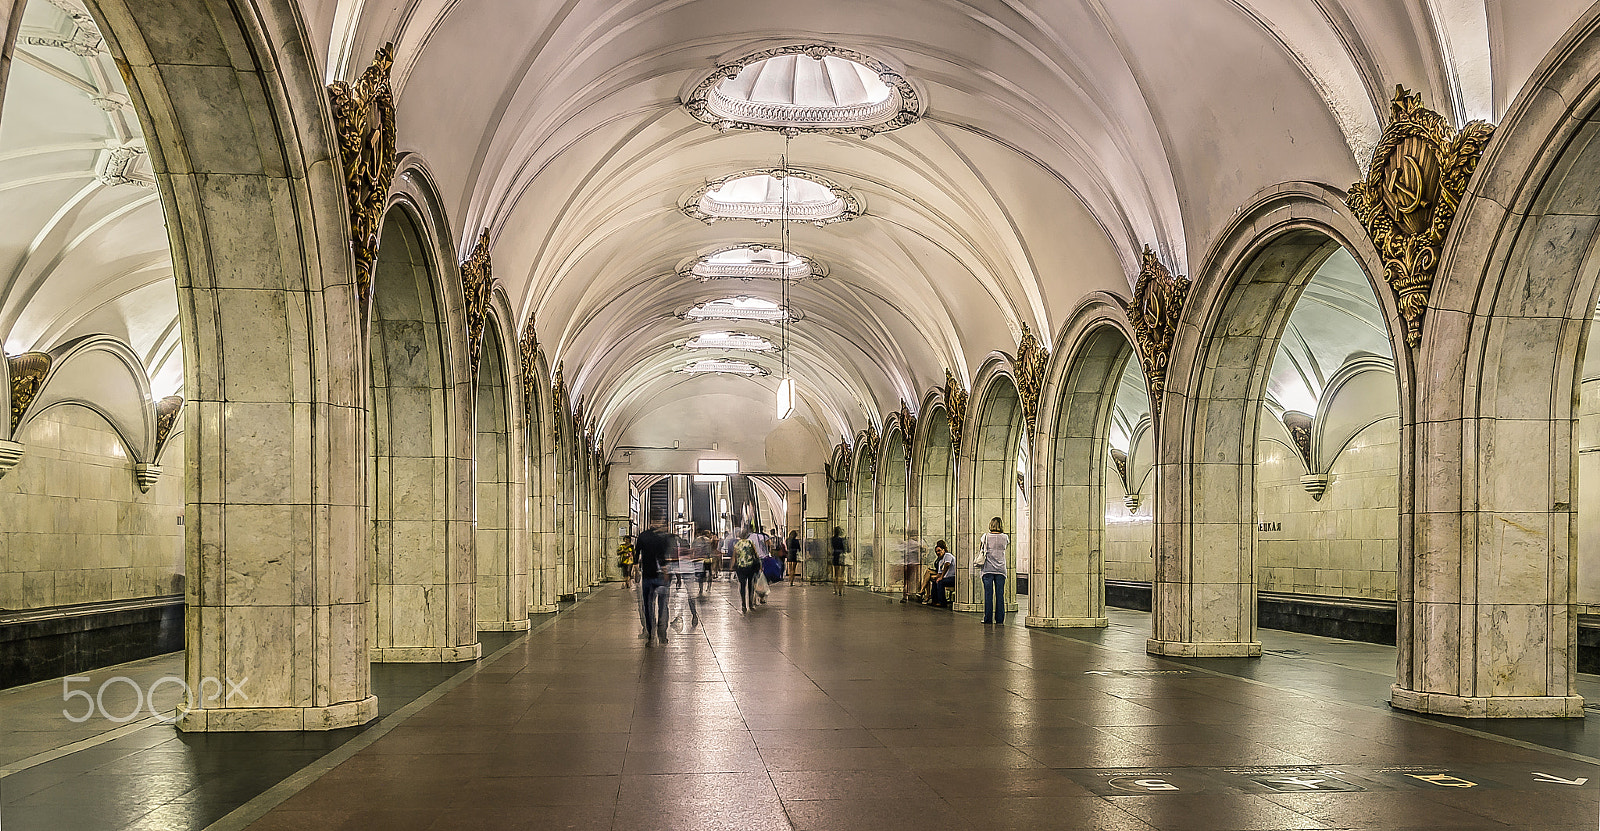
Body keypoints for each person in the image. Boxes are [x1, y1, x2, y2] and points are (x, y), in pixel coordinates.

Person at [634, 522, 672, 645]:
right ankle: (662, 632)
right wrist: (667, 572)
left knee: (648, 605)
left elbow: (636, 553)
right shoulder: (663, 538)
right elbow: (664, 557)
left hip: (647, 576)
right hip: (660, 576)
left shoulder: (643, 536)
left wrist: (636, 572)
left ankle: (651, 632)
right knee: (663, 605)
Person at [978, 517, 1009, 624]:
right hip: (1001, 569)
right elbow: (1005, 548)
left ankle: (988, 618)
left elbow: (981, 549)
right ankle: (1000, 619)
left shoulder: (985, 536)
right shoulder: (1005, 537)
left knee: (988, 594)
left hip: (988, 569)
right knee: (1000, 594)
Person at [732, 529, 761, 613]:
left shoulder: (737, 544)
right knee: (750, 585)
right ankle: (751, 604)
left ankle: (743, 604)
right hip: (750, 566)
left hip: (740, 567)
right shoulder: (750, 543)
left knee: (742, 585)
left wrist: (732, 566)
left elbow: (735, 556)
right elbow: (755, 554)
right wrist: (759, 565)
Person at [927, 540, 954, 607]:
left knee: (940, 582)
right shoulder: (940, 561)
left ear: (943, 550)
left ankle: (942, 602)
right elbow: (939, 573)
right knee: (935, 582)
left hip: (953, 577)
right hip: (946, 578)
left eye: (939, 551)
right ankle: (934, 601)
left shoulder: (948, 555)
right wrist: (934, 577)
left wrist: (941, 577)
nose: (938, 553)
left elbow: (947, 564)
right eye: (936, 552)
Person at [899, 535, 923, 603]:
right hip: (914, 564)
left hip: (909, 564)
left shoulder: (908, 543)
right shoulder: (915, 543)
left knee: (907, 581)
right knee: (913, 580)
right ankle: (915, 593)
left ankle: (906, 595)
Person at [829, 527, 848, 595]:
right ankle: (841, 590)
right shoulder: (841, 540)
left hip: (835, 556)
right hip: (841, 556)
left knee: (835, 574)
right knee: (841, 575)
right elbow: (844, 548)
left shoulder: (832, 539)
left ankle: (835, 590)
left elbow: (831, 548)